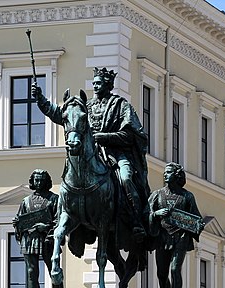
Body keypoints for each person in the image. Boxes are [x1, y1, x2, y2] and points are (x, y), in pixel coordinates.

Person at [32, 67, 150, 242]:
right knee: (68, 179)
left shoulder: (121, 105)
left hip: (115, 154)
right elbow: (60, 114)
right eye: (94, 83)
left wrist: (105, 136)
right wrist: (40, 99)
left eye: (99, 83)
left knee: (125, 178)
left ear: (108, 85)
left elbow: (130, 134)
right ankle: (60, 220)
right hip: (91, 153)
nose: (95, 86)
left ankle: (135, 221)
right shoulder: (85, 106)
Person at [148, 163, 203, 288]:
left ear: (177, 175)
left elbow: (197, 219)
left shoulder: (187, 196)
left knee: (174, 269)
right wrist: (157, 214)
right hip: (162, 237)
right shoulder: (157, 195)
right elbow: (146, 214)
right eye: (164, 172)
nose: (165, 175)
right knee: (161, 273)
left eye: (169, 172)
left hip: (181, 238)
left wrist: (192, 225)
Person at [12, 169, 65, 288]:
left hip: (48, 239)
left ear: (46, 181)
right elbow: (20, 223)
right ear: (32, 181)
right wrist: (17, 224)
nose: (39, 182)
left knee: (54, 270)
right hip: (30, 239)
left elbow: (59, 221)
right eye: (36, 180)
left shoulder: (54, 199)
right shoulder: (26, 201)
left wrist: (46, 227)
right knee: (31, 272)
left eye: (41, 180)